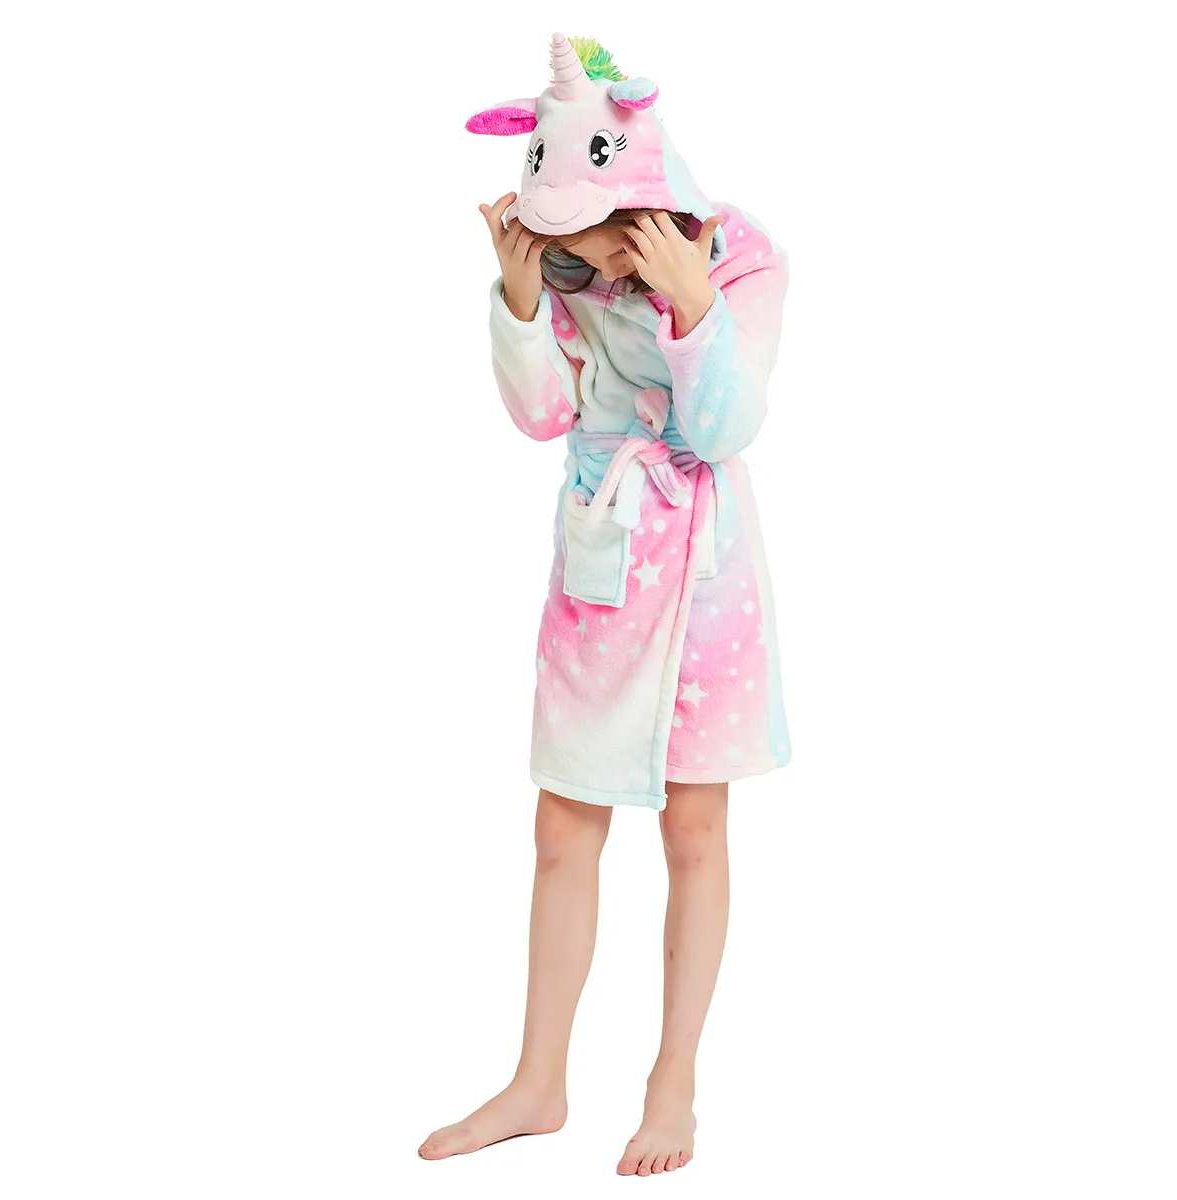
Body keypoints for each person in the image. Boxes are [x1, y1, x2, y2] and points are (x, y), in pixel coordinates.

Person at [419, 33, 791, 1176]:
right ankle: (539, 1080)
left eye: (584, 237)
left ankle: (673, 1085)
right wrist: (523, 300)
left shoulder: (739, 260)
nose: (576, 258)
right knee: (561, 829)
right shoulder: (565, 275)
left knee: (695, 830)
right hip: (601, 556)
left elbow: (722, 430)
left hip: (704, 579)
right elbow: (544, 417)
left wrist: (692, 307)